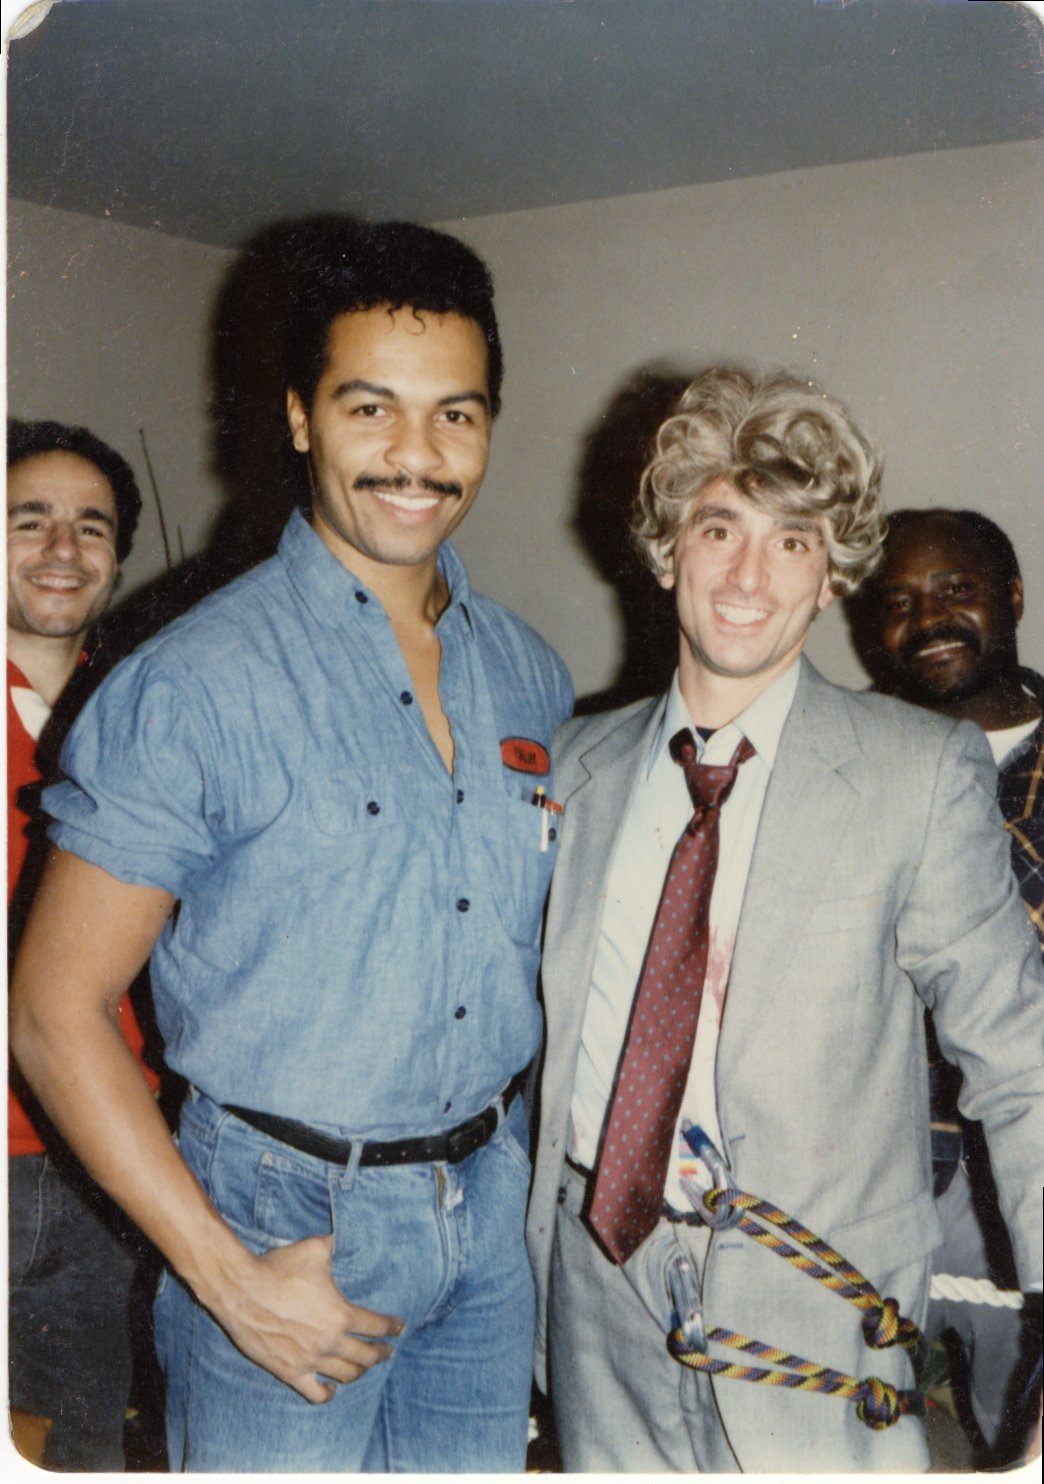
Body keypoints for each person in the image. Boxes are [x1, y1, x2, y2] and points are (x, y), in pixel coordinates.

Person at [10, 221, 573, 1473]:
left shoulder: (529, 673)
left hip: (486, 1219)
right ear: (301, 418)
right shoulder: (195, 680)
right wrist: (230, 1276)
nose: (416, 457)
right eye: (370, 407)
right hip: (278, 1223)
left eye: (456, 414)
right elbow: (50, 1007)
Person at [525, 367, 1044, 1473]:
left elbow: (1024, 1062)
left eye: (794, 540)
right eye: (719, 527)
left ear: (831, 578)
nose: (749, 574)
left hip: (821, 1304)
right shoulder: (572, 766)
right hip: (594, 1295)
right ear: (668, 550)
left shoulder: (920, 771)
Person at [848, 505, 1044, 1465]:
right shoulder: (843, 770)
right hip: (873, 1184)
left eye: (956, 591)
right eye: (896, 601)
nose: (927, 619)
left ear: (1012, 597)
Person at [7, 418, 157, 1470]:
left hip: (107, 1148)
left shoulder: (149, 713)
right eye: (30, 518)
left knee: (80, 1444)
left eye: (91, 524)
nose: (64, 548)